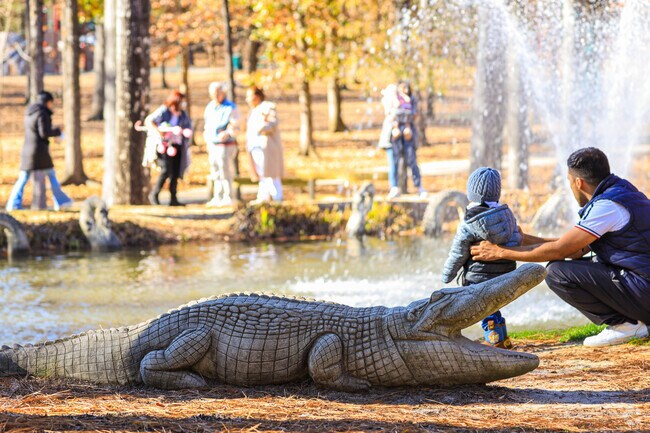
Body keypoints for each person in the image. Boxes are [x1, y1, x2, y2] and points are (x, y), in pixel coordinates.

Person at [471, 147, 650, 347]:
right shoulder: (621, 192)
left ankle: (626, 325)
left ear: (578, 182)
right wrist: (524, 239)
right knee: (567, 267)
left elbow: (561, 250)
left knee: (556, 273)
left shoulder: (606, 207)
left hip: (644, 288)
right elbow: (575, 249)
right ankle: (634, 322)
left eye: (568, 181)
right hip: (641, 283)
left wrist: (500, 252)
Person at [441, 167, 521, 348]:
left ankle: (494, 340)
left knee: (485, 310)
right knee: (494, 306)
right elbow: (517, 239)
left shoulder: (469, 222)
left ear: (472, 193)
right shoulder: (506, 216)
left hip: (478, 277)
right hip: (505, 273)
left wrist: (447, 274)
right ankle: (504, 339)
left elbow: (458, 252)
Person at [6, 91, 73, 211]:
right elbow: (44, 133)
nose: (51, 106)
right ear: (47, 102)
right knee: (51, 175)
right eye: (51, 103)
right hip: (39, 152)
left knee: (23, 177)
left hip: (27, 151)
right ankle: (62, 201)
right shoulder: (42, 114)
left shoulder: (30, 113)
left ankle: (13, 204)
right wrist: (57, 131)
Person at [144, 90, 192, 206]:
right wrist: (160, 131)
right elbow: (149, 121)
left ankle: (173, 198)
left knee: (175, 172)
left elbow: (188, 127)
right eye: (181, 102)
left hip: (178, 145)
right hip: (164, 146)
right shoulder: (164, 111)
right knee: (165, 170)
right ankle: (155, 194)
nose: (183, 104)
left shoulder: (183, 114)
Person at [384, 81, 426, 199]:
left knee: (412, 160)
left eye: (407, 88)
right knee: (395, 161)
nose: (405, 90)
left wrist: (408, 127)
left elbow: (413, 114)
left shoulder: (411, 99)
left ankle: (419, 187)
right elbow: (389, 114)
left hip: (408, 131)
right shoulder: (393, 98)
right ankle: (394, 187)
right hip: (396, 133)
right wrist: (395, 127)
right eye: (403, 88)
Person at [245, 86, 284, 203]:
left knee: (271, 174)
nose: (247, 99)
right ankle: (263, 197)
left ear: (257, 96)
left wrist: (261, 127)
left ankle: (277, 197)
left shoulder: (268, 107)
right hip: (255, 147)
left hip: (266, 147)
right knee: (261, 174)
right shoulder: (253, 111)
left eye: (249, 96)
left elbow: (272, 123)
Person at [203, 81, 239, 207]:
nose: (216, 96)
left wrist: (228, 133)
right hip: (212, 143)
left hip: (225, 144)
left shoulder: (230, 107)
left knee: (225, 170)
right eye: (214, 93)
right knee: (215, 170)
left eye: (218, 93)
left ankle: (228, 196)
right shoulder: (210, 107)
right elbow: (207, 126)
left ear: (223, 93)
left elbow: (235, 126)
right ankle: (217, 196)